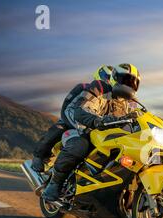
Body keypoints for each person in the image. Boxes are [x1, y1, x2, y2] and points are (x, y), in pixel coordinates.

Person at [41, 63, 141, 201]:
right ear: (114, 78)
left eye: (132, 83)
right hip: (82, 128)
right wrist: (96, 120)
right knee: (80, 146)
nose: (128, 85)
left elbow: (142, 117)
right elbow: (82, 109)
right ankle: (55, 184)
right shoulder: (99, 87)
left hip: (108, 136)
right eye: (125, 80)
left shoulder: (132, 103)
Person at [31, 65, 114, 172]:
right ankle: (39, 156)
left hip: (95, 127)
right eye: (105, 76)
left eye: (109, 77)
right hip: (72, 120)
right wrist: (77, 124)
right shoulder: (83, 87)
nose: (107, 79)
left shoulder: (111, 97)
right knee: (58, 128)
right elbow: (66, 106)